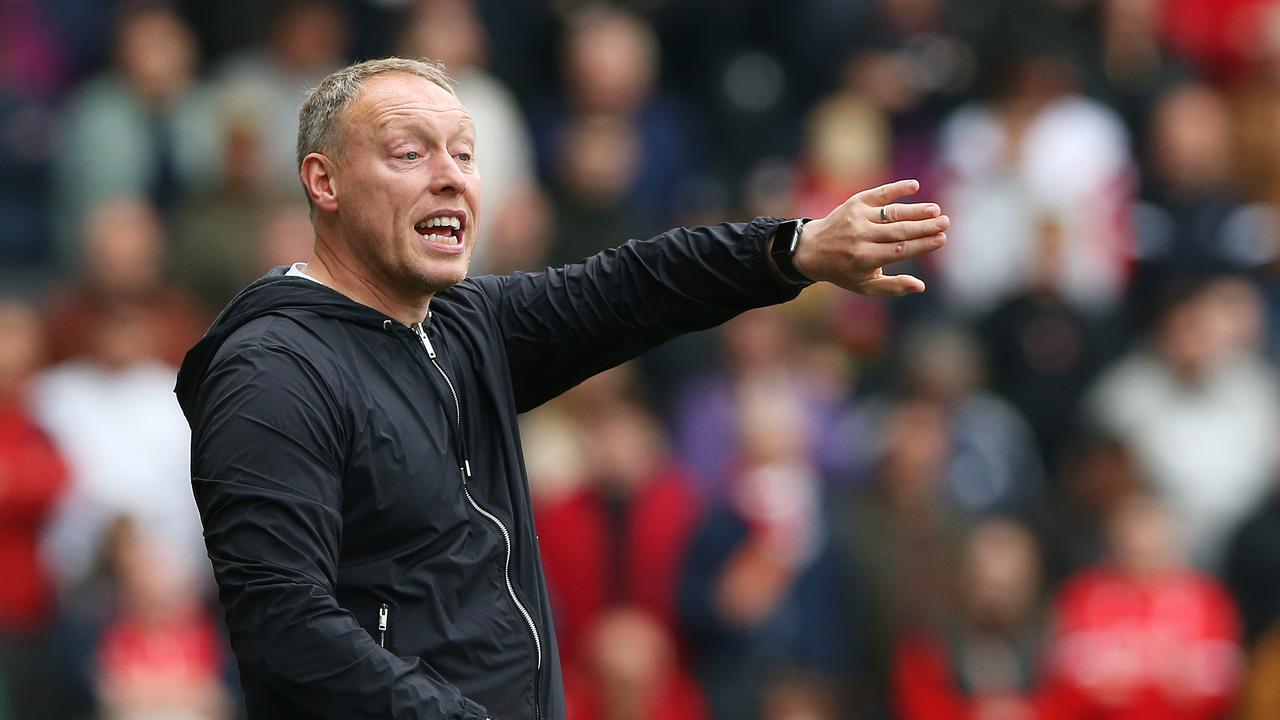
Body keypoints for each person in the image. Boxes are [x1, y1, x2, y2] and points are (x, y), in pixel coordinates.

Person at [174, 57, 949, 720]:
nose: (451, 177)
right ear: (324, 182)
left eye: (466, 155)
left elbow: (630, 286)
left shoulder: (460, 325)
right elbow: (286, 627)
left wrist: (794, 250)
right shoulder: (271, 371)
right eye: (409, 154)